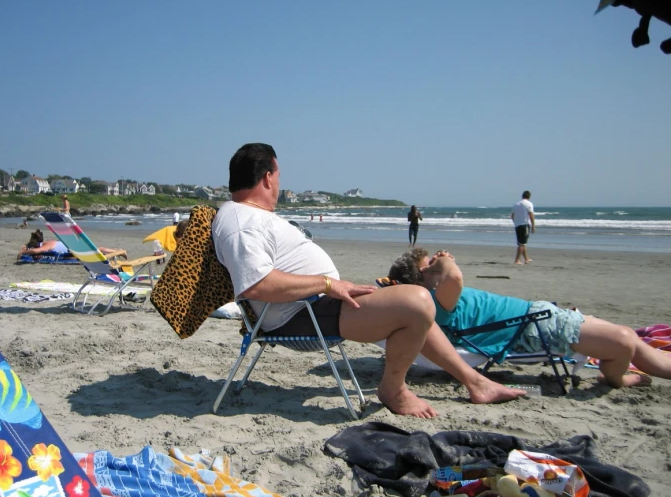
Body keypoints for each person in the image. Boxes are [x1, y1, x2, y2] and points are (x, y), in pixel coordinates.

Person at [212, 143, 523, 419]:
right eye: (279, 177)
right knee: (417, 302)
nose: (279, 185)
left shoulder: (247, 216)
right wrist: (329, 284)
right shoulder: (242, 223)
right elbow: (256, 285)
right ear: (268, 177)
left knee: (408, 302)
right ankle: (393, 390)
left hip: (315, 305)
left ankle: (475, 382)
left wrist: (330, 286)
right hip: (301, 316)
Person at [388, 248, 671, 388]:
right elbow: (455, 276)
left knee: (631, 339)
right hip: (536, 328)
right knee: (623, 339)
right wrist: (446, 261)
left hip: (539, 317)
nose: (437, 262)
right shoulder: (436, 303)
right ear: (421, 280)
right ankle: (616, 378)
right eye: (429, 264)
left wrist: (436, 266)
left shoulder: (438, 299)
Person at [17, 229, 123, 260]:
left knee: (97, 250)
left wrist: (23, 252)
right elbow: (37, 253)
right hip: (72, 249)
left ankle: (119, 252)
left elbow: (36, 251)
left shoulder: (46, 246)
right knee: (95, 252)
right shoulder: (49, 242)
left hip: (74, 249)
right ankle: (116, 251)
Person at [511, 191, 535, 264]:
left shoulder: (516, 204)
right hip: (524, 225)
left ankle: (526, 258)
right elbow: (531, 215)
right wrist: (533, 226)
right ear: (529, 197)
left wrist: (516, 222)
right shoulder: (529, 204)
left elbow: (512, 216)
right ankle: (517, 260)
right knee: (522, 244)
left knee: (521, 243)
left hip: (517, 225)